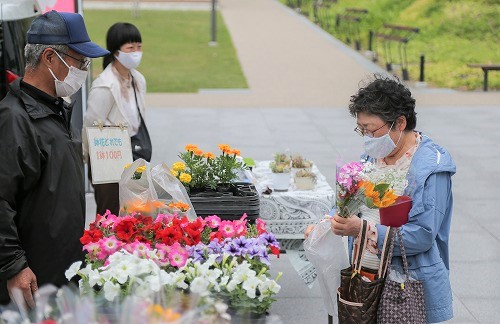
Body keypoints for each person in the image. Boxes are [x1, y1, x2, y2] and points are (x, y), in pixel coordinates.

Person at [305, 74, 455, 323]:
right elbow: (349, 202)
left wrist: (363, 230)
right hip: (365, 276)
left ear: (399, 123)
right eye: (361, 129)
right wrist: (329, 222)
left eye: (371, 130)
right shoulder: (373, 156)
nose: (366, 138)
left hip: (406, 282)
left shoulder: (431, 168)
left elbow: (423, 235)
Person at [0, 11, 109, 307]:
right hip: (32, 280)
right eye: (80, 61)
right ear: (50, 57)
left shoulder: (56, 108)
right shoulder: (14, 119)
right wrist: (13, 265)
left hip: (61, 272)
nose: (84, 70)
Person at [83, 22, 149, 216]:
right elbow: (90, 126)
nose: (136, 52)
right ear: (115, 51)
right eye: (130, 48)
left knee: (135, 214)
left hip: (134, 156)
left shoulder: (138, 80)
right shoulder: (104, 86)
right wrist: (86, 160)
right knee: (110, 215)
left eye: (139, 46)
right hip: (108, 161)